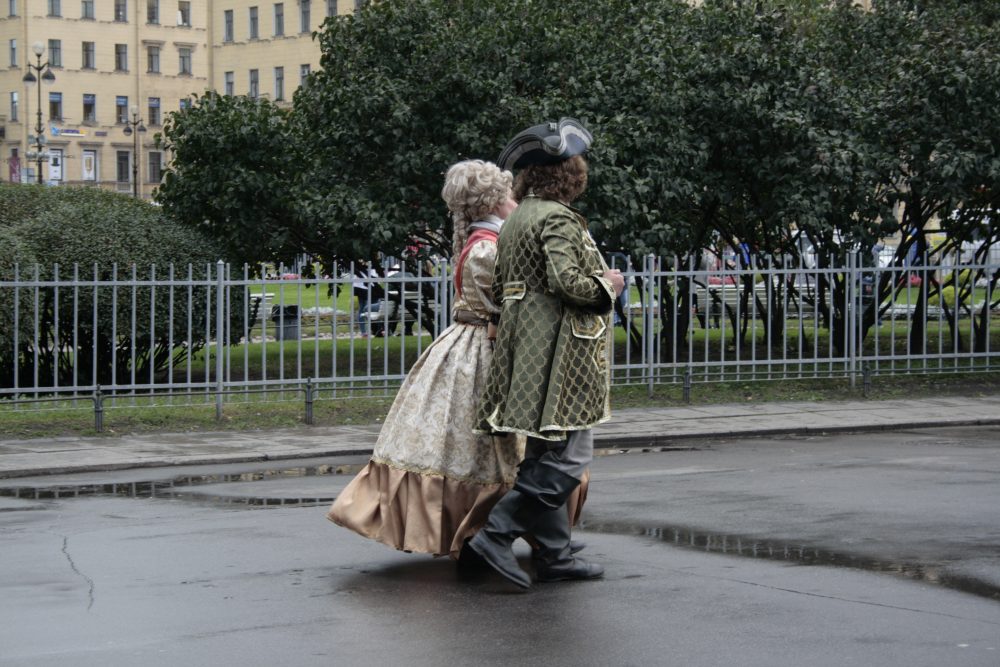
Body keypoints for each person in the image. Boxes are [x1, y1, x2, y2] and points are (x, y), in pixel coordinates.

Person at [327, 159, 523, 558]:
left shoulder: (486, 240)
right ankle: (482, 530)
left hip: (468, 346)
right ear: (495, 200)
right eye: (510, 193)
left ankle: (487, 529)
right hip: (482, 348)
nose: (516, 200)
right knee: (482, 443)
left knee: (466, 443)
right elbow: (509, 306)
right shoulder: (487, 247)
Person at [469, 118, 625, 588]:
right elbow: (566, 281)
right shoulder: (557, 217)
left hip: (528, 349)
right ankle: (495, 535)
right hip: (560, 354)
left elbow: (502, 285)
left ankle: (555, 556)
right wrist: (609, 286)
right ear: (570, 174)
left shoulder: (517, 217)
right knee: (568, 459)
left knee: (542, 455)